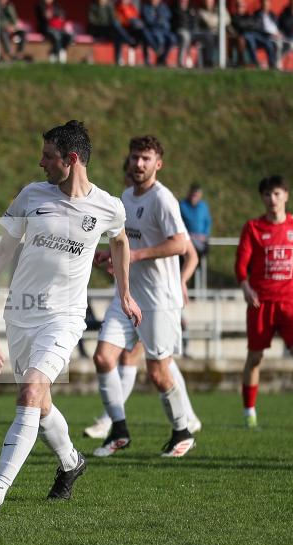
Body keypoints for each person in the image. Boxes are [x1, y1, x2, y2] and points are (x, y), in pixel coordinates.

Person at [0, 121, 138, 516]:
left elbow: (120, 242)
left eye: (48, 156)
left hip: (65, 318)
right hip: (20, 314)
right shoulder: (30, 196)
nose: (40, 163)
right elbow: (2, 253)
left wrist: (124, 291)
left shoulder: (108, 206)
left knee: (30, 393)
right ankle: (72, 463)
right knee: (41, 403)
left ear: (71, 160)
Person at [92, 135, 197, 460]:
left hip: (159, 300)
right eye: (135, 157)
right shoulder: (125, 196)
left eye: (146, 159)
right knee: (103, 358)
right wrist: (107, 255)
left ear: (158, 164)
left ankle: (182, 431)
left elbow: (181, 244)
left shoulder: (163, 199)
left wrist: (136, 257)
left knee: (158, 373)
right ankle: (119, 431)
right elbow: (124, 243)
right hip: (127, 297)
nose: (139, 164)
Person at [236, 175, 293, 431]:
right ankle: (249, 413)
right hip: (261, 303)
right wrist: (245, 287)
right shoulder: (253, 227)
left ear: (286, 195)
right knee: (255, 357)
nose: (272, 199)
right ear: (262, 198)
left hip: (291, 303)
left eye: (277, 194)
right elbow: (241, 266)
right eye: (267, 194)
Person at [88, 0, 136, 66]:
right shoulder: (93, 6)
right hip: (98, 30)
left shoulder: (109, 6)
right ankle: (129, 40)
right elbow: (92, 21)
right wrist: (104, 24)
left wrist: (110, 23)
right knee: (115, 26)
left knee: (117, 36)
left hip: (109, 29)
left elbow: (113, 18)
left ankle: (118, 59)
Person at [179, 182, 211, 257]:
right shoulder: (182, 205)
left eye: (196, 195)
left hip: (201, 239)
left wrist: (204, 234)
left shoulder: (203, 206)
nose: (194, 197)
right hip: (187, 238)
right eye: (193, 195)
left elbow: (208, 222)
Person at [141, 0, 176, 66]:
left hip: (164, 30)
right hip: (153, 30)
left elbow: (168, 16)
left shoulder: (163, 7)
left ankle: (162, 59)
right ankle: (158, 56)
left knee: (172, 38)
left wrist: (160, 19)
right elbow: (149, 21)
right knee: (159, 39)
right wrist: (159, 20)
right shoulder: (146, 7)